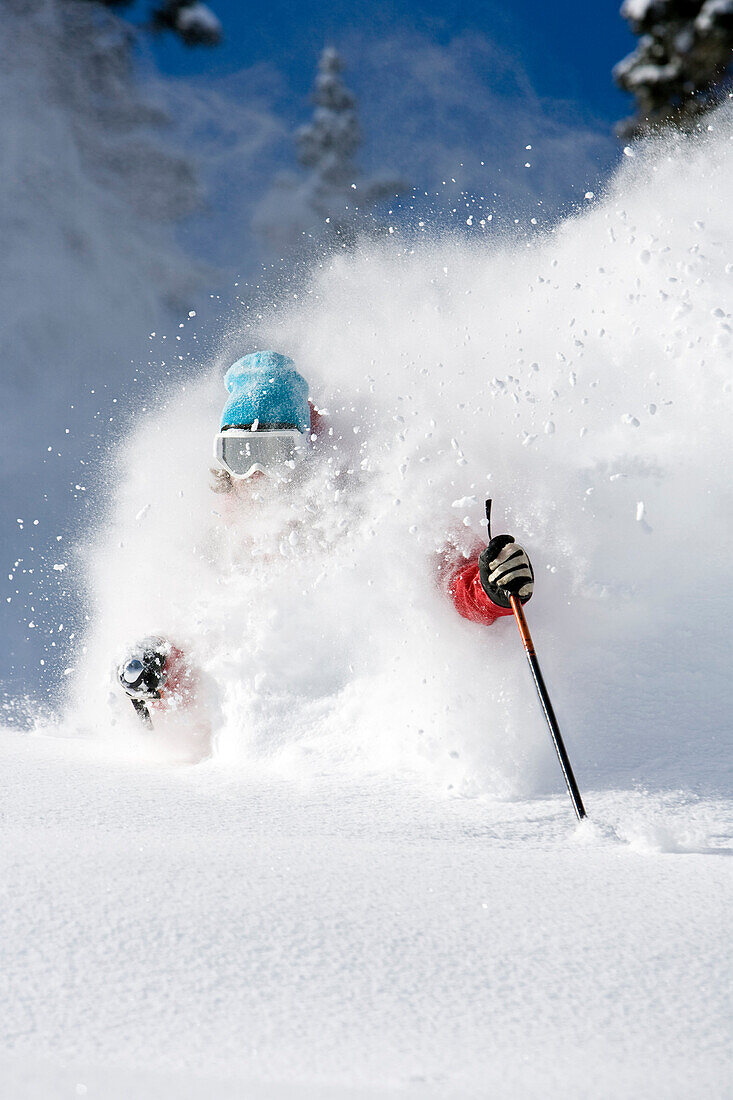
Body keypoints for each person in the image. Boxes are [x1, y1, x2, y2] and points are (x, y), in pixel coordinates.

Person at [116, 350, 534, 726]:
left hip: (356, 727)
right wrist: (159, 667)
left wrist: (488, 588)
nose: (256, 475)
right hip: (261, 748)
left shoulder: (366, 507)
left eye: (276, 453)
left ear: (306, 452)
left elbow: (445, 579)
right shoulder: (218, 540)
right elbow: (202, 644)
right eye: (240, 455)